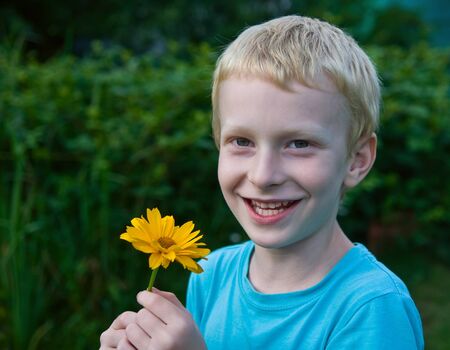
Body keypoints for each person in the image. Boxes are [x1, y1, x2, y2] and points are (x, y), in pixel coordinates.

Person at [100, 15, 424, 349]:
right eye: (242, 141)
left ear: (357, 160)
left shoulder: (371, 308)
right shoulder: (210, 274)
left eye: (299, 144)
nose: (263, 175)